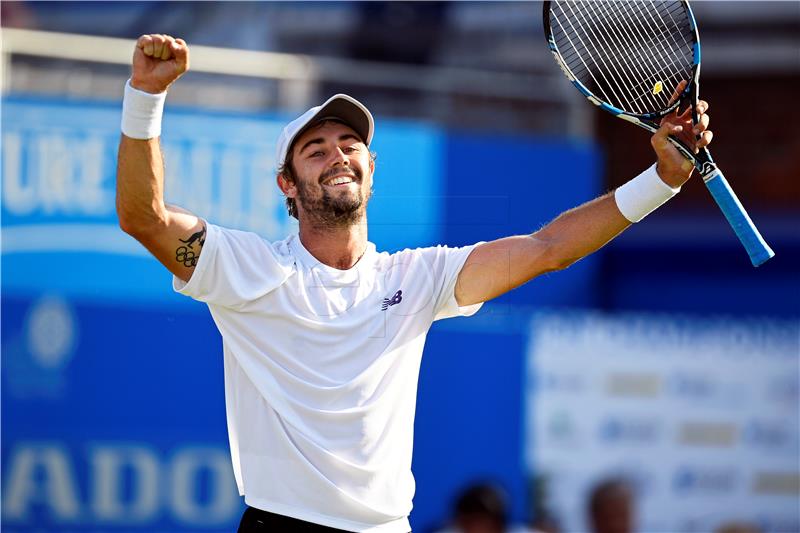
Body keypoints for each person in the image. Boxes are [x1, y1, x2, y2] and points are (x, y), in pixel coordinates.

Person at [116, 35, 713, 533]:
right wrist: (146, 96)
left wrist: (660, 180)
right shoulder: (246, 267)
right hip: (283, 522)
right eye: (316, 150)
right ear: (287, 186)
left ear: (372, 169)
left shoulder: (418, 277)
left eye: (351, 145)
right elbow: (144, 216)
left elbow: (549, 250)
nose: (339, 156)